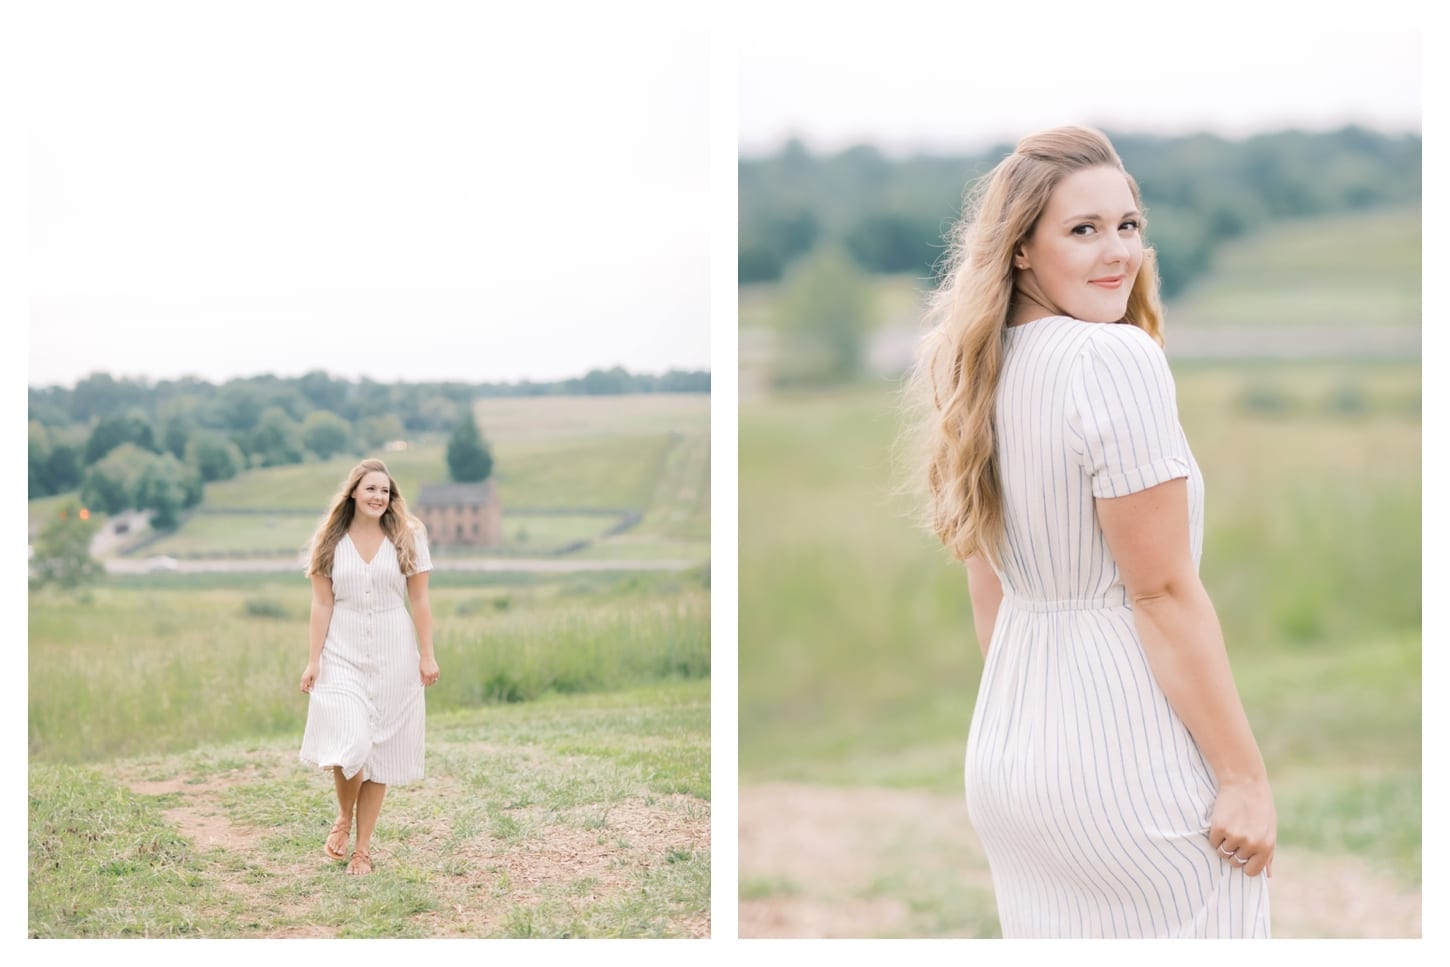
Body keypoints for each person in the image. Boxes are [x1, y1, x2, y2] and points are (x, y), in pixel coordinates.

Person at [905, 126, 1274, 937]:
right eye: (1083, 229)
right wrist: (1243, 776)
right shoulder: (1114, 360)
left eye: (1128, 226)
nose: (1117, 253)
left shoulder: (977, 368)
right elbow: (1163, 592)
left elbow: (990, 591)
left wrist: (1041, 738)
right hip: (1128, 765)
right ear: (1023, 250)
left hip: (1011, 758)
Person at [298, 458, 440, 876]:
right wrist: (314, 660)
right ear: (354, 493)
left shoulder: (408, 536)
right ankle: (344, 815)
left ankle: (362, 850)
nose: (379, 497)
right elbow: (321, 603)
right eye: (371, 489)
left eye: (385, 491)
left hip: (395, 655)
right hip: (342, 654)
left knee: (381, 752)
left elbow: (420, 600)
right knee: (353, 743)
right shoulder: (329, 539)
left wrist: (427, 654)